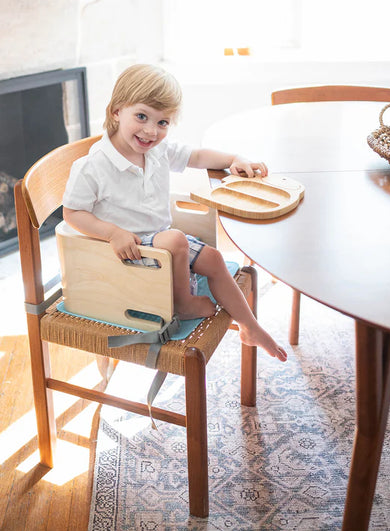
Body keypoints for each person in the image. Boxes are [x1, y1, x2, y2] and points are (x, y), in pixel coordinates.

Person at [63, 64, 287, 362]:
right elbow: (72, 212)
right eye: (141, 116)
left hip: (160, 241)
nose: (150, 131)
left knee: (214, 258)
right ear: (117, 111)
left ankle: (250, 326)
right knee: (175, 239)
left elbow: (195, 156)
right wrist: (113, 233)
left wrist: (234, 158)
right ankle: (183, 303)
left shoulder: (157, 149)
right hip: (124, 253)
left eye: (163, 122)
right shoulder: (93, 167)